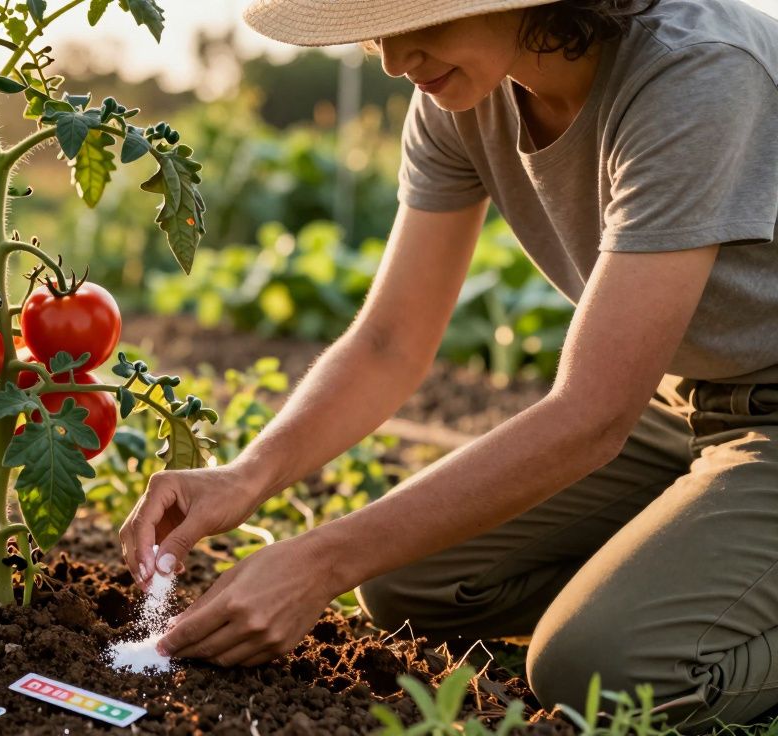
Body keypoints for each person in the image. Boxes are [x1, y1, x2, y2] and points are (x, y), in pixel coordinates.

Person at [118, 0, 778, 728]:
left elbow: (592, 416)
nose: (395, 60)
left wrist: (318, 562)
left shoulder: (696, 72)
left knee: (598, 668)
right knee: (406, 582)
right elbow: (389, 344)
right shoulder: (463, 96)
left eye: (419, 22)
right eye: (377, 31)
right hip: (684, 399)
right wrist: (247, 474)